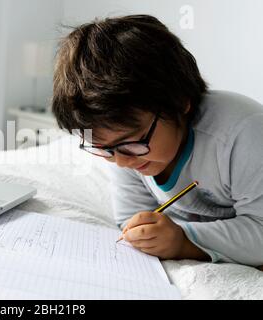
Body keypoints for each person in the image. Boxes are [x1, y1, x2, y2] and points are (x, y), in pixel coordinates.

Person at [51, 15, 263, 269]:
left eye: (130, 143)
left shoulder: (243, 131)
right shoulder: (123, 151)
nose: (120, 161)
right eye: (103, 148)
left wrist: (184, 242)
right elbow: (132, 220)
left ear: (179, 101)